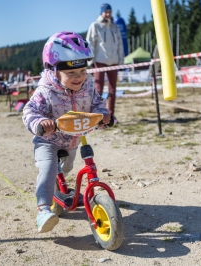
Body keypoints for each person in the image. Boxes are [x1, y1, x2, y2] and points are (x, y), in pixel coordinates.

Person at [22, 31, 110, 233]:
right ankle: (43, 209)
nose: (79, 77)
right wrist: (41, 122)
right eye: (71, 73)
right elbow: (29, 111)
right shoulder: (45, 90)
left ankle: (59, 186)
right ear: (54, 70)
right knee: (48, 168)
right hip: (48, 139)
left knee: (66, 167)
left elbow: (97, 103)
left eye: (82, 71)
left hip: (73, 138)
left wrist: (103, 115)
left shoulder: (88, 84)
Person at [86, 3, 124, 119]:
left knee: (113, 90)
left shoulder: (115, 27)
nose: (108, 14)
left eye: (110, 12)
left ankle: (111, 115)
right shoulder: (95, 25)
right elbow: (90, 43)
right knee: (98, 89)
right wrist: (90, 61)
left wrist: (121, 61)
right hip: (100, 61)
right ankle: (98, 115)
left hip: (113, 62)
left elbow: (120, 45)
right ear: (101, 12)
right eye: (106, 11)